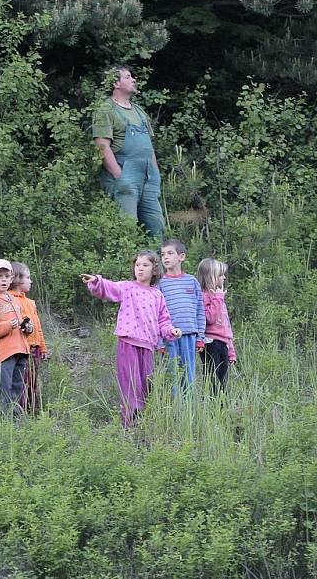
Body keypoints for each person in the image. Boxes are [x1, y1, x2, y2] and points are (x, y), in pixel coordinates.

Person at [81, 251, 181, 427]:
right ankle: (127, 425)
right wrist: (96, 281)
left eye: (145, 265)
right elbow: (109, 288)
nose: (140, 269)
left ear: (154, 270)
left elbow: (164, 321)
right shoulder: (127, 287)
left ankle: (141, 423)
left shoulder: (157, 295)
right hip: (128, 343)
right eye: (137, 265)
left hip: (148, 346)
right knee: (130, 385)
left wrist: (171, 332)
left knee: (146, 385)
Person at [91, 65, 164, 239]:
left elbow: (148, 146)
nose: (134, 80)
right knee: (127, 230)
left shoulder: (139, 111)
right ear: (116, 83)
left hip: (147, 179)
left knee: (157, 228)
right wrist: (121, 177)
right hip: (125, 178)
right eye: (128, 77)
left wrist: (156, 175)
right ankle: (126, 264)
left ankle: (157, 264)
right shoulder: (106, 110)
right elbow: (102, 146)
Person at [0, 259, 32, 414]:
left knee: (17, 387)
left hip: (20, 350)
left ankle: (15, 422)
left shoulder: (15, 300)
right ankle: (4, 422)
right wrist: (8, 325)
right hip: (3, 353)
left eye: (6, 276)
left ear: (12, 278)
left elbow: (20, 325)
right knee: (4, 390)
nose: (3, 279)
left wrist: (27, 328)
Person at [157, 238, 206, 392]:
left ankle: (189, 410)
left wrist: (200, 338)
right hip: (169, 336)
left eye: (170, 253)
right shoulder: (159, 283)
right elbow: (156, 314)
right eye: (163, 254)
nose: (165, 257)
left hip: (189, 335)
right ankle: (175, 409)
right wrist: (159, 342)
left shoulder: (192, 281)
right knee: (173, 375)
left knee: (189, 374)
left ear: (181, 257)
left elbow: (200, 310)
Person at [9, 261, 48, 414]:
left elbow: (37, 327)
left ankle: (34, 411)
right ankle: (20, 411)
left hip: (35, 348)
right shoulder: (10, 300)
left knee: (32, 381)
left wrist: (43, 347)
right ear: (17, 279)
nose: (30, 281)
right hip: (22, 349)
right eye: (27, 277)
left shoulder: (30, 303)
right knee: (21, 381)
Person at [197, 258, 237, 393]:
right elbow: (210, 318)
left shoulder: (219, 297)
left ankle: (220, 408)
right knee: (212, 378)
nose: (224, 277)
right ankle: (210, 406)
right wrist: (218, 298)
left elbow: (226, 325)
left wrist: (231, 350)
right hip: (210, 342)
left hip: (223, 342)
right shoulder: (204, 296)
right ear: (210, 276)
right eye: (220, 275)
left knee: (223, 380)